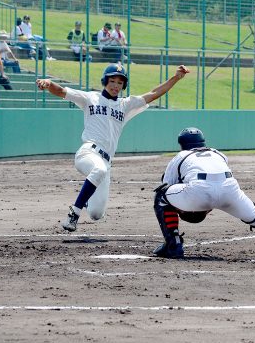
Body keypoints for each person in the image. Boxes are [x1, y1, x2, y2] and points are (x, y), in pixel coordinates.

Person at [36, 64, 190, 231]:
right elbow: (61, 92)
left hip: (106, 162)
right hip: (88, 152)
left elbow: (154, 94)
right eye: (112, 81)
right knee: (99, 170)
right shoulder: (90, 98)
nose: (116, 85)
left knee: (96, 213)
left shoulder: (125, 105)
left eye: (119, 82)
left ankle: (87, 197)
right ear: (105, 81)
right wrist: (49, 83)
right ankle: (74, 214)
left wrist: (176, 78)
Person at [151, 127, 255, 262]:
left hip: (199, 192)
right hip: (229, 189)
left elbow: (167, 185)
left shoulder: (181, 156)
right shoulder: (218, 153)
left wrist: (187, 205)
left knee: (161, 196)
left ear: (182, 144)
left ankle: (173, 244)